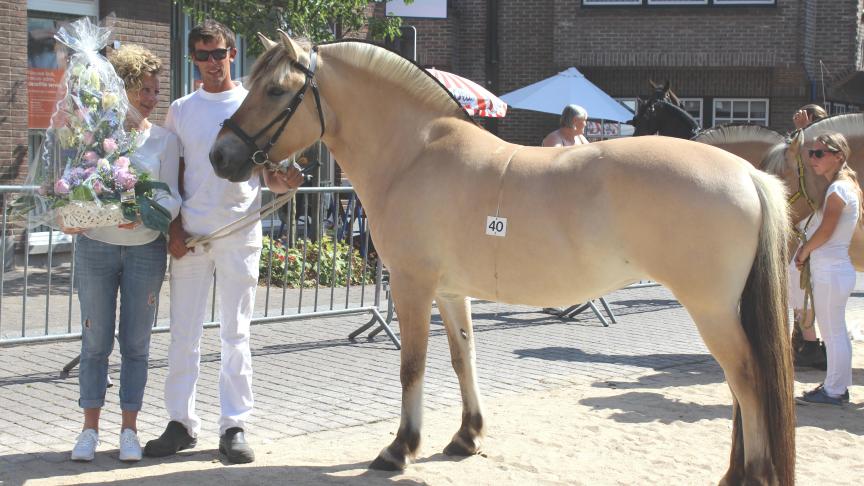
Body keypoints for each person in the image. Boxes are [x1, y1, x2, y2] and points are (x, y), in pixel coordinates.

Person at [143, 19, 303, 464]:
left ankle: (234, 425)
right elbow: (170, 175)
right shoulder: (180, 109)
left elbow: (271, 176)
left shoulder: (249, 103)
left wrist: (287, 181)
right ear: (193, 59)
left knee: (236, 334)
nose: (213, 63)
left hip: (239, 233)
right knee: (183, 335)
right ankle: (180, 423)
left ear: (234, 55)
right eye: (203, 55)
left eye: (220, 53)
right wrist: (172, 230)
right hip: (192, 236)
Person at [68, 44, 181, 462]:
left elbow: (173, 197)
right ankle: (89, 431)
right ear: (123, 88)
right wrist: (70, 212)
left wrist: (148, 212)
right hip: (95, 248)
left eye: (155, 91)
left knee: (136, 344)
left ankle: (129, 431)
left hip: (145, 252)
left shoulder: (165, 140)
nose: (151, 99)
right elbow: (75, 184)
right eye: (144, 90)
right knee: (94, 341)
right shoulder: (94, 134)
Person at [794, 132, 860, 406]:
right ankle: (837, 385)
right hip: (835, 269)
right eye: (812, 153)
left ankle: (834, 390)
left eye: (820, 153)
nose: (813, 158)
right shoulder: (847, 187)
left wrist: (804, 250)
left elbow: (826, 230)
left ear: (839, 156)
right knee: (836, 332)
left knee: (833, 333)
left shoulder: (837, 190)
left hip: (830, 270)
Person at [789, 104, 829, 369]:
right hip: (805, 215)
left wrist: (804, 131)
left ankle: (811, 343)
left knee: (801, 282)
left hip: (814, 217)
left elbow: (807, 165)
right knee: (796, 284)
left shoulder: (822, 148)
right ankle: (803, 338)